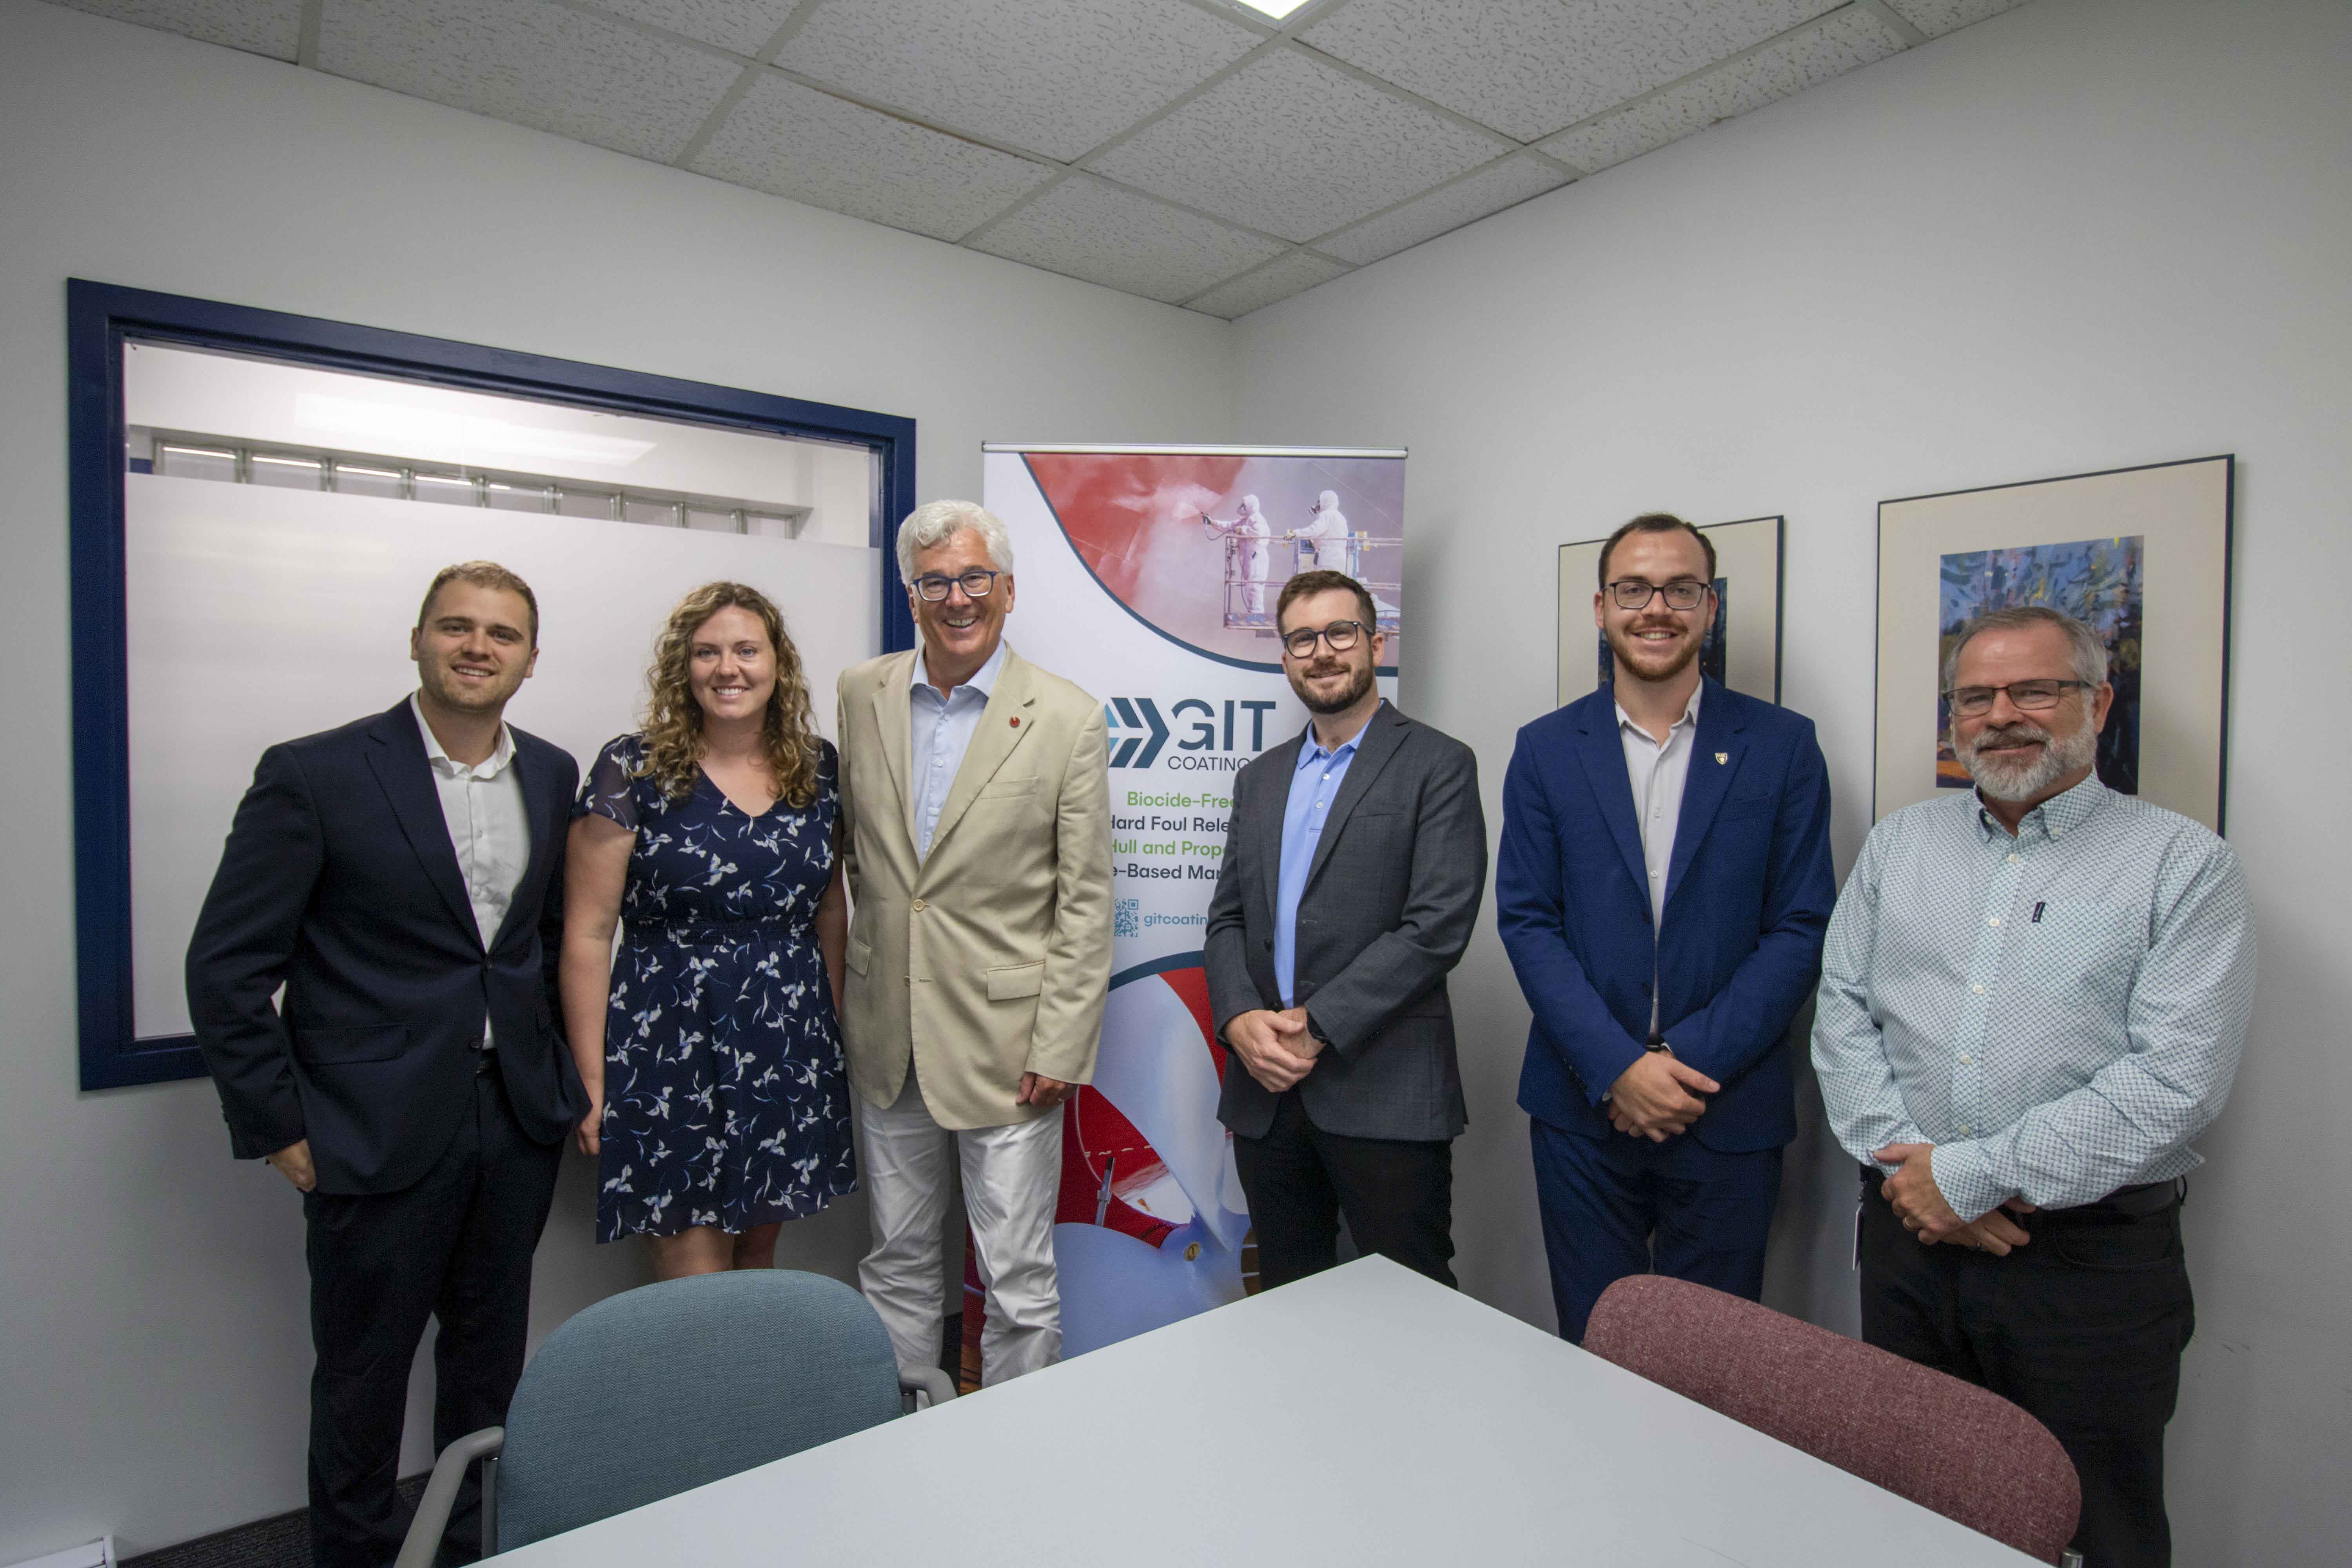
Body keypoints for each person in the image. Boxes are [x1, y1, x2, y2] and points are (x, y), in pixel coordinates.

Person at [1813, 604, 2255, 1568]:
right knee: (1905, 1506)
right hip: (1906, 1237)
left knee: (2096, 1525)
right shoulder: (1899, 846)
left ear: (2096, 701)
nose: (2002, 713)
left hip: (2087, 1265)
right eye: (1976, 695)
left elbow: (2175, 1080)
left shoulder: (2182, 865)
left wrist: (1963, 1178)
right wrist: (1912, 1174)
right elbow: (1843, 1015)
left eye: (2033, 690)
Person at [185, 563, 586, 1567]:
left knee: (489, 1368)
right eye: (457, 627)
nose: (477, 647)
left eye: (502, 634)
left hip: (513, 1123)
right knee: (362, 1379)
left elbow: (533, 943)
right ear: (417, 639)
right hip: (371, 1127)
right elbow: (227, 966)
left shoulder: (549, 771)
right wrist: (279, 1126)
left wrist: (555, 1087)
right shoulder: (315, 772)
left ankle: (474, 1545)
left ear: (531, 660)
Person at [1497, 513, 1835, 1341]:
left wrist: (1685, 1063)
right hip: (1583, 1107)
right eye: (1634, 588)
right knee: (1595, 1338)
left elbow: (1801, 925)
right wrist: (1617, 1067)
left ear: (1711, 606)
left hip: (1725, 1107)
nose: (1657, 608)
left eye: (1682, 588)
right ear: (1601, 605)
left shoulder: (1784, 746)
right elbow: (1528, 921)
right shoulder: (1545, 749)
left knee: (1716, 1360)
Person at [835, 499, 1112, 1385]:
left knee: (1019, 1281)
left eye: (973, 579)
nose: (957, 598)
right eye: (935, 581)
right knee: (897, 1262)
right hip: (888, 1037)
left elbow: (1084, 899)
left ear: (1008, 589)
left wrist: (1061, 1041)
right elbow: (855, 862)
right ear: (911, 595)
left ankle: (1015, 1465)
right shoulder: (860, 693)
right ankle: (901, 1449)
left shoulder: (1067, 717)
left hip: (1008, 1048)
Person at [561, 582, 855, 1276]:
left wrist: (831, 1034)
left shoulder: (817, 769)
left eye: (747, 650)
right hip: (667, 1047)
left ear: (777, 665)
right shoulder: (632, 768)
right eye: (707, 652)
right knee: (693, 1283)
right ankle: (702, 1390)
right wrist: (592, 1082)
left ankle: (749, 1391)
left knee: (757, 1262)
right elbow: (589, 933)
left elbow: (830, 910)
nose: (729, 668)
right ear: (682, 668)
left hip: (787, 1040)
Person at [1204, 570, 1486, 1289]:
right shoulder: (1260, 779)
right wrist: (1239, 1020)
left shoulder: (1438, 764)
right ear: (1286, 656)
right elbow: (1228, 917)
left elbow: (1438, 925)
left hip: (1385, 1089)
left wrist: (1317, 1025)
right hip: (1266, 1094)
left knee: (1411, 1306)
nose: (1322, 652)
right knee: (1289, 1298)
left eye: (1340, 633)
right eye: (1303, 639)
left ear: (1375, 643)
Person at [1202, 493, 1272, 618]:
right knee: (1250, 586)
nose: (1241, 507)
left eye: (1244, 505)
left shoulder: (1256, 518)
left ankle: (1257, 613)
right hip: (1249, 558)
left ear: (1250, 506)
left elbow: (1259, 533)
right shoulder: (1244, 520)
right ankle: (1254, 612)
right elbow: (1229, 526)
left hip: (1257, 557)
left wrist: (1243, 530)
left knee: (1255, 586)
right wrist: (1212, 522)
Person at [1290, 488, 1352, 573]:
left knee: (1325, 583)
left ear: (1326, 501)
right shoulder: (1341, 517)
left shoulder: (1326, 515)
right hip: (1341, 559)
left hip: (1329, 558)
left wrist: (1295, 533)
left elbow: (1313, 531)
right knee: (1336, 584)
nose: (1318, 504)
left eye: (1320, 501)